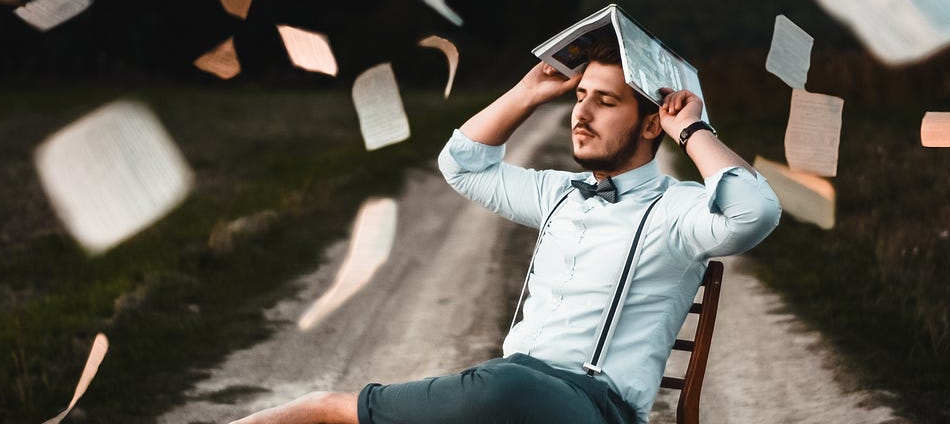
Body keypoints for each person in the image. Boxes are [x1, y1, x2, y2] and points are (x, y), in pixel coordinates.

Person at [232, 41, 781, 424]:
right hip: (512, 388)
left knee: (504, 387)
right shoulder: (557, 192)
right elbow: (461, 165)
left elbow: (755, 213)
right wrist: (525, 94)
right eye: (580, 97)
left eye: (605, 101)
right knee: (504, 384)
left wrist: (694, 130)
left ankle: (329, 408)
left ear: (650, 123)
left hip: (595, 408)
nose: (580, 114)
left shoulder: (680, 210)